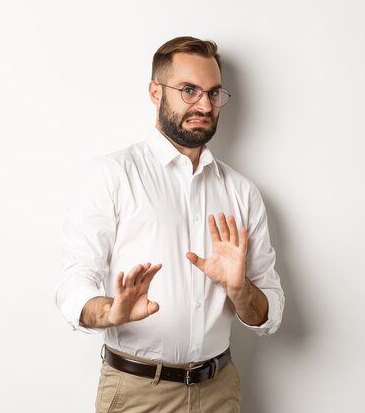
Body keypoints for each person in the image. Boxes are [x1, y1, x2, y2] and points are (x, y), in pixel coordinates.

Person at [56, 36, 284, 413]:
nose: (204, 104)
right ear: (155, 92)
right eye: (189, 90)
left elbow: (270, 311)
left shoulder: (242, 192)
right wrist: (111, 311)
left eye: (214, 93)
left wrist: (239, 288)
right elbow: (73, 281)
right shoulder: (113, 175)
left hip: (219, 391)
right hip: (138, 392)